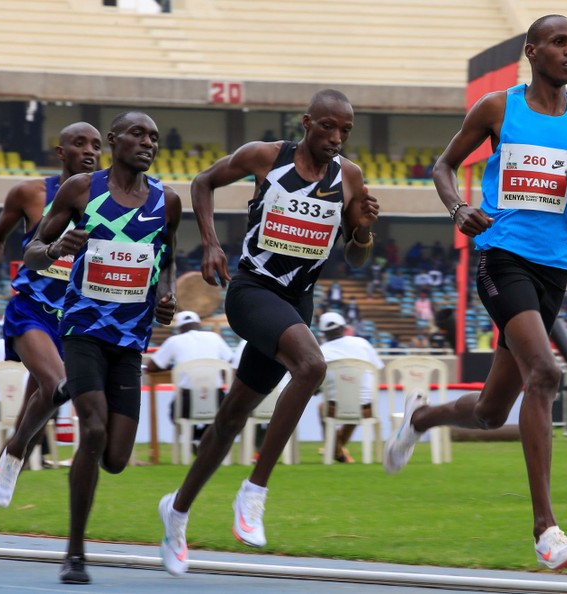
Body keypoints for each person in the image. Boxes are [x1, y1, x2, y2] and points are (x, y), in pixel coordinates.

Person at [385, 15, 567, 571]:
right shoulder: (496, 108)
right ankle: (546, 531)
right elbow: (442, 166)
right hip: (501, 256)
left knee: (491, 411)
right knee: (546, 373)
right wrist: (459, 208)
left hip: (554, 269)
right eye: (560, 43)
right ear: (532, 51)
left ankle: (422, 418)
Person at [156, 89, 378, 578]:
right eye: (327, 128)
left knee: (233, 414)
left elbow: (357, 255)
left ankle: (176, 510)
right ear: (306, 123)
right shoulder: (267, 157)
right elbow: (203, 182)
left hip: (297, 301)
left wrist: (360, 230)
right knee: (312, 365)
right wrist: (210, 244)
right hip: (252, 289)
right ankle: (254, 491)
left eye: (345, 131)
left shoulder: (350, 178)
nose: (336, 138)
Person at [16, 111, 181, 584]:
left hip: (131, 340)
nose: (147, 142)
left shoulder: (166, 202)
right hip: (84, 329)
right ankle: (74, 552)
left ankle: (73, 404)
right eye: (137, 134)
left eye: (154, 136)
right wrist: (56, 249)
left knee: (115, 457)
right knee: (91, 430)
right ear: (113, 141)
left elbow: (168, 258)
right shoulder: (82, 190)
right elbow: (29, 252)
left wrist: (166, 297)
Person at [0, 122, 102, 565]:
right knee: (59, 386)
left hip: (76, 320)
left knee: (35, 411)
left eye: (97, 146)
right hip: (31, 311)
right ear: (60, 151)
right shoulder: (29, 193)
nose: (89, 151)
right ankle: (15, 456)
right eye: (79, 144)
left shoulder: (107, 201)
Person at [146, 310, 234, 445]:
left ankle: (195, 437)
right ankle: (202, 436)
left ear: (180, 328)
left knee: (175, 414)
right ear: (198, 325)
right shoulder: (214, 337)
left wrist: (171, 366)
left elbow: (152, 367)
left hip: (187, 402)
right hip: (217, 399)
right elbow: (230, 362)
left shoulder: (174, 341)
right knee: (217, 413)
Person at [315, 311, 384, 463]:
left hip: (336, 408)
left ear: (323, 333)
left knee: (322, 408)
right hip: (367, 408)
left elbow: (317, 384)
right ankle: (337, 448)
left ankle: (336, 451)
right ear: (343, 328)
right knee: (355, 403)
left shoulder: (321, 351)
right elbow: (377, 368)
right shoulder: (362, 343)